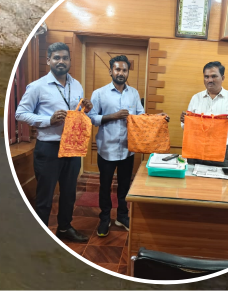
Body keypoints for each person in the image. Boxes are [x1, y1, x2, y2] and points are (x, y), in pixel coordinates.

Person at [15, 42, 94, 243]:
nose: (61, 61)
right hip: (49, 148)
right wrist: (48, 120)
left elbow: (76, 112)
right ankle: (39, 235)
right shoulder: (37, 87)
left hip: (72, 146)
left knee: (68, 194)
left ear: (69, 61)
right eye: (57, 57)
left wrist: (85, 108)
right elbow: (20, 114)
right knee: (45, 195)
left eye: (65, 58)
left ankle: (65, 228)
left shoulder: (76, 85)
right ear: (48, 60)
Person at [86, 55, 169, 237]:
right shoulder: (99, 93)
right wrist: (113, 116)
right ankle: (105, 218)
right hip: (106, 149)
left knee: (125, 186)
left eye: (124, 70)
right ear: (111, 71)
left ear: (127, 72)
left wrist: (158, 118)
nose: (121, 73)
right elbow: (91, 118)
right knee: (105, 186)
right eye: (117, 69)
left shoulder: (133, 93)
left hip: (127, 149)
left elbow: (141, 117)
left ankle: (122, 216)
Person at [180, 61, 228, 166]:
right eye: (206, 77)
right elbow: (185, 128)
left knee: (218, 182)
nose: (209, 80)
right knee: (192, 182)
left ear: (223, 78)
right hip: (195, 151)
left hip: (220, 153)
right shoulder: (196, 98)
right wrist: (185, 122)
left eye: (214, 76)